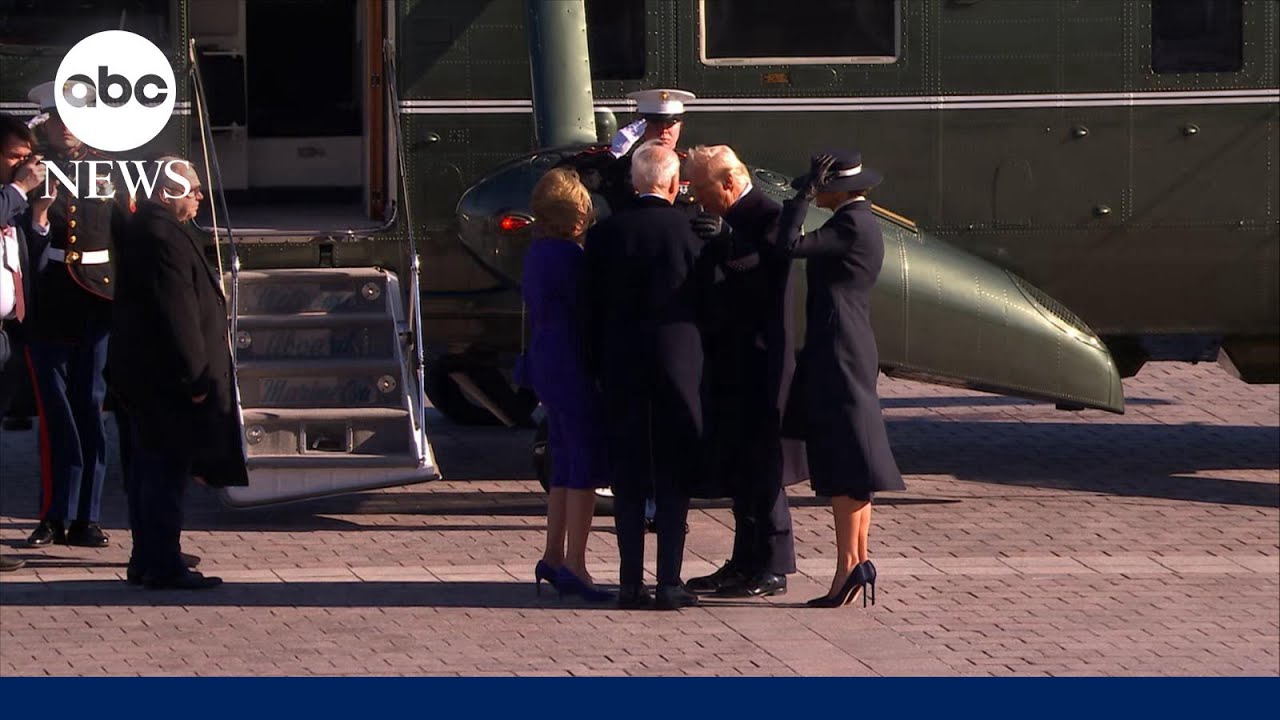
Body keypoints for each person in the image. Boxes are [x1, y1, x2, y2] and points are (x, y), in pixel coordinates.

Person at [767, 150, 905, 608]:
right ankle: (857, 560)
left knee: (845, 459)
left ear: (837, 190)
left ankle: (849, 565)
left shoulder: (850, 225)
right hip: (848, 344)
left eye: (820, 186)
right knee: (852, 457)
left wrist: (800, 201)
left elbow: (788, 245)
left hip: (839, 349)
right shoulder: (860, 221)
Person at [106, 156, 246, 590]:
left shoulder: (152, 228)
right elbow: (177, 313)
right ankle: (162, 564)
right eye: (192, 188)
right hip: (166, 379)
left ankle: (148, 557)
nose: (200, 195)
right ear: (167, 193)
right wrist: (195, 378)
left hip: (147, 375)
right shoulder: (161, 235)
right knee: (163, 473)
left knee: (149, 469)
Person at [584, 142, 705, 611]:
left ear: (635, 183)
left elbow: (591, 307)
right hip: (679, 364)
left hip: (622, 363)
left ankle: (630, 582)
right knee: (674, 473)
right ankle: (669, 581)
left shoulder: (606, 234)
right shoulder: (691, 232)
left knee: (629, 474)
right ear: (674, 183)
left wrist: (595, 363)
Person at [684, 144, 806, 599]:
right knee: (740, 466)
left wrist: (727, 243)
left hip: (762, 360)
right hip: (731, 358)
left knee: (764, 465)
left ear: (730, 182)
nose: (697, 198)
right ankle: (744, 559)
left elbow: (768, 274)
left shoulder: (768, 216)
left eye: (702, 188)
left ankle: (772, 564)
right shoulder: (726, 217)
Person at [22, 81, 129, 549]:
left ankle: (87, 517)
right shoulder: (31, 171)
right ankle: (52, 514)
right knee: (55, 414)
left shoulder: (113, 168)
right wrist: (38, 219)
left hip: (97, 298)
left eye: (74, 118)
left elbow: (125, 233)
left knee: (91, 406)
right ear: (45, 124)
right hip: (49, 301)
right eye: (57, 118)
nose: (65, 127)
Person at [518, 167, 612, 603]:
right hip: (573, 363)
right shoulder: (573, 259)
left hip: (545, 361)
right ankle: (576, 563)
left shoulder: (536, 254)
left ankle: (553, 554)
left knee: (561, 458)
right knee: (583, 463)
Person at [0, 113, 50, 572]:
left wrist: (37, 218)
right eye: (16, 157)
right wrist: (18, 190)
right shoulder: (7, 195)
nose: (24, 166)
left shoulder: (11, 201)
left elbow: (23, 256)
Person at [568, 88, 699, 218]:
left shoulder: (691, 167)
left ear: (680, 126)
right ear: (641, 126)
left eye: (671, 123)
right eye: (655, 123)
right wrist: (611, 155)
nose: (663, 130)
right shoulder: (622, 166)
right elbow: (565, 178)